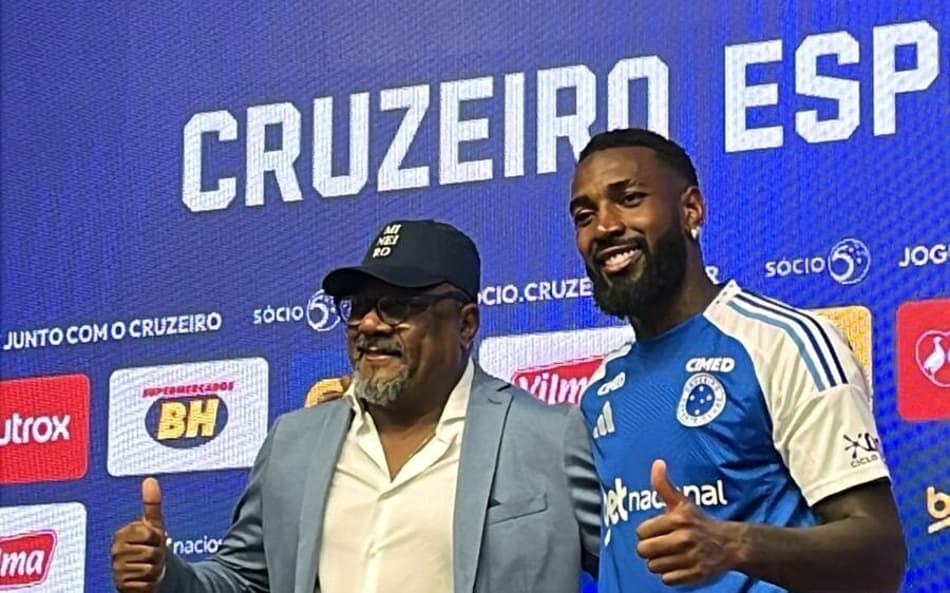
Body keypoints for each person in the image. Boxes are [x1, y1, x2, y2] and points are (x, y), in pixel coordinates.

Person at [110, 219, 601, 593]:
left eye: (398, 305)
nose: (369, 324)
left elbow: (634, 571)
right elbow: (244, 580)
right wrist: (165, 576)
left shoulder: (550, 437)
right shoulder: (293, 442)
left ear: (466, 323)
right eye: (359, 306)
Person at [570, 128, 907, 592]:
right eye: (584, 215)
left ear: (691, 209)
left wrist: (735, 545)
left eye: (628, 199)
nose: (603, 227)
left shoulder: (783, 343)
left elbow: (881, 555)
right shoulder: (601, 389)